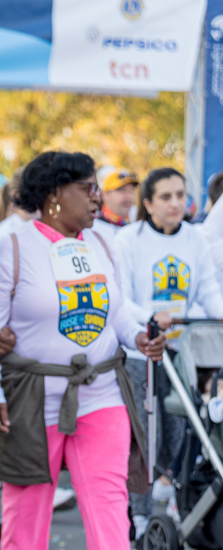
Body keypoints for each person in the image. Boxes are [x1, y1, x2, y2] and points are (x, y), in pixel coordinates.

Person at [0, 151, 165, 550]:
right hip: (30, 399)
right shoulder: (12, 248)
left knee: (110, 504)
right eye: (87, 188)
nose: (98, 198)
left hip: (103, 392)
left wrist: (138, 338)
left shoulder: (103, 243)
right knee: (26, 515)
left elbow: (117, 311)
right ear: (54, 194)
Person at [114, 167, 223, 544]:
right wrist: (148, 318)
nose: (176, 203)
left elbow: (207, 290)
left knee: (179, 433)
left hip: (180, 352)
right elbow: (120, 296)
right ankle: (140, 516)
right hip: (139, 350)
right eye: (165, 197)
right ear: (148, 203)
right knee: (143, 436)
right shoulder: (129, 240)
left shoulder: (194, 239)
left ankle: (179, 500)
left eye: (180, 195)